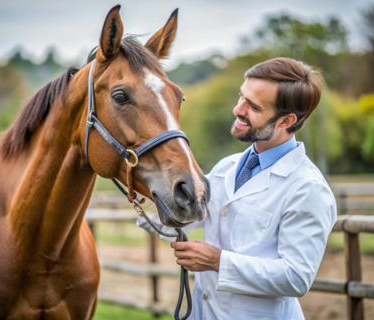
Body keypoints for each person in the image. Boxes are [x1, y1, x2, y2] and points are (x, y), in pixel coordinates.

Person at [137, 57, 337, 320]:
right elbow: (181, 220)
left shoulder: (308, 189)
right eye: (241, 97)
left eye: (252, 106)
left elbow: (296, 277)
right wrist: (144, 192)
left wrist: (217, 261)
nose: (237, 109)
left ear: (286, 120)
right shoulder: (226, 168)